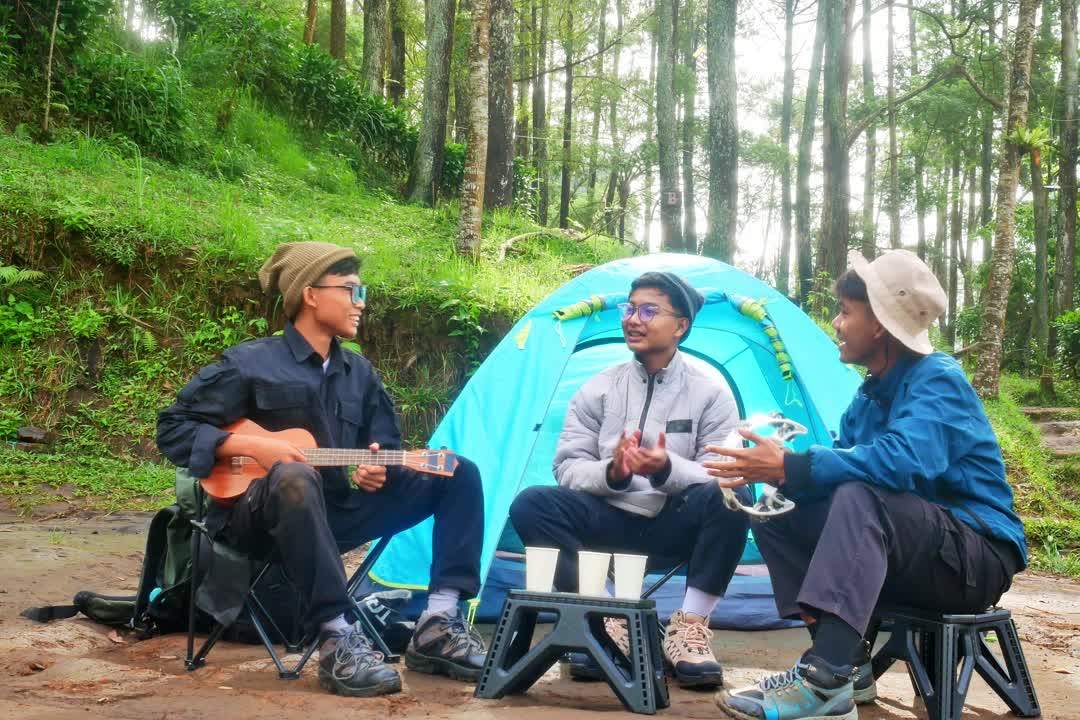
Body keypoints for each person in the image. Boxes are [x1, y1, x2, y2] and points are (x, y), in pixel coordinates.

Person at [156, 242, 488, 698]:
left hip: (335, 515)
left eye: (362, 291)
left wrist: (376, 473)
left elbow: (385, 450)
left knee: (458, 473)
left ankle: (437, 625)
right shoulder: (249, 363)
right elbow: (173, 428)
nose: (361, 302)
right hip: (254, 522)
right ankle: (337, 639)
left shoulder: (360, 374)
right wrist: (253, 446)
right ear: (310, 294)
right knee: (295, 478)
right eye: (351, 290)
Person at [705, 250, 1027, 720]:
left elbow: (903, 462)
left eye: (845, 312)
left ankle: (823, 680)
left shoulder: (939, 381)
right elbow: (839, 471)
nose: (836, 324)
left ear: (878, 324)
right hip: (916, 550)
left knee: (860, 496)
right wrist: (778, 473)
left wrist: (794, 465)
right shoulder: (870, 393)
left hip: (975, 556)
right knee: (777, 509)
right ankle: (847, 666)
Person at [508, 271, 750, 689]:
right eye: (630, 308)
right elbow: (567, 466)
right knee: (531, 504)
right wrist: (613, 472)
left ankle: (690, 629)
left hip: (671, 526)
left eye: (649, 311)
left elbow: (721, 467)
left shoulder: (710, 392)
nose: (633, 319)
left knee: (732, 493)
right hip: (606, 522)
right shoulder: (599, 387)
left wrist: (665, 468)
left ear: (680, 326)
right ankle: (606, 618)